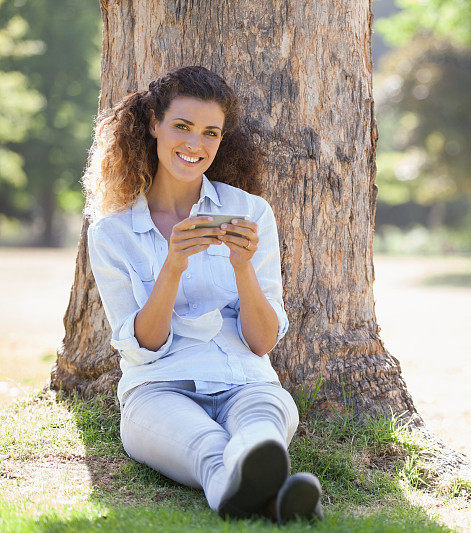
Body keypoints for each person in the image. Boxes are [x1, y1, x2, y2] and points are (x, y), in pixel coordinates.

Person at [82, 65, 322, 523]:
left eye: (210, 133)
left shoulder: (250, 212)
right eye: (183, 126)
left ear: (221, 139)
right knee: (209, 449)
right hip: (157, 389)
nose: (195, 145)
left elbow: (263, 341)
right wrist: (172, 267)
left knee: (261, 432)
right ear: (154, 124)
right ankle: (269, 500)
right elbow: (145, 343)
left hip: (246, 381)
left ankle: (257, 488)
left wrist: (243, 266)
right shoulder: (112, 232)